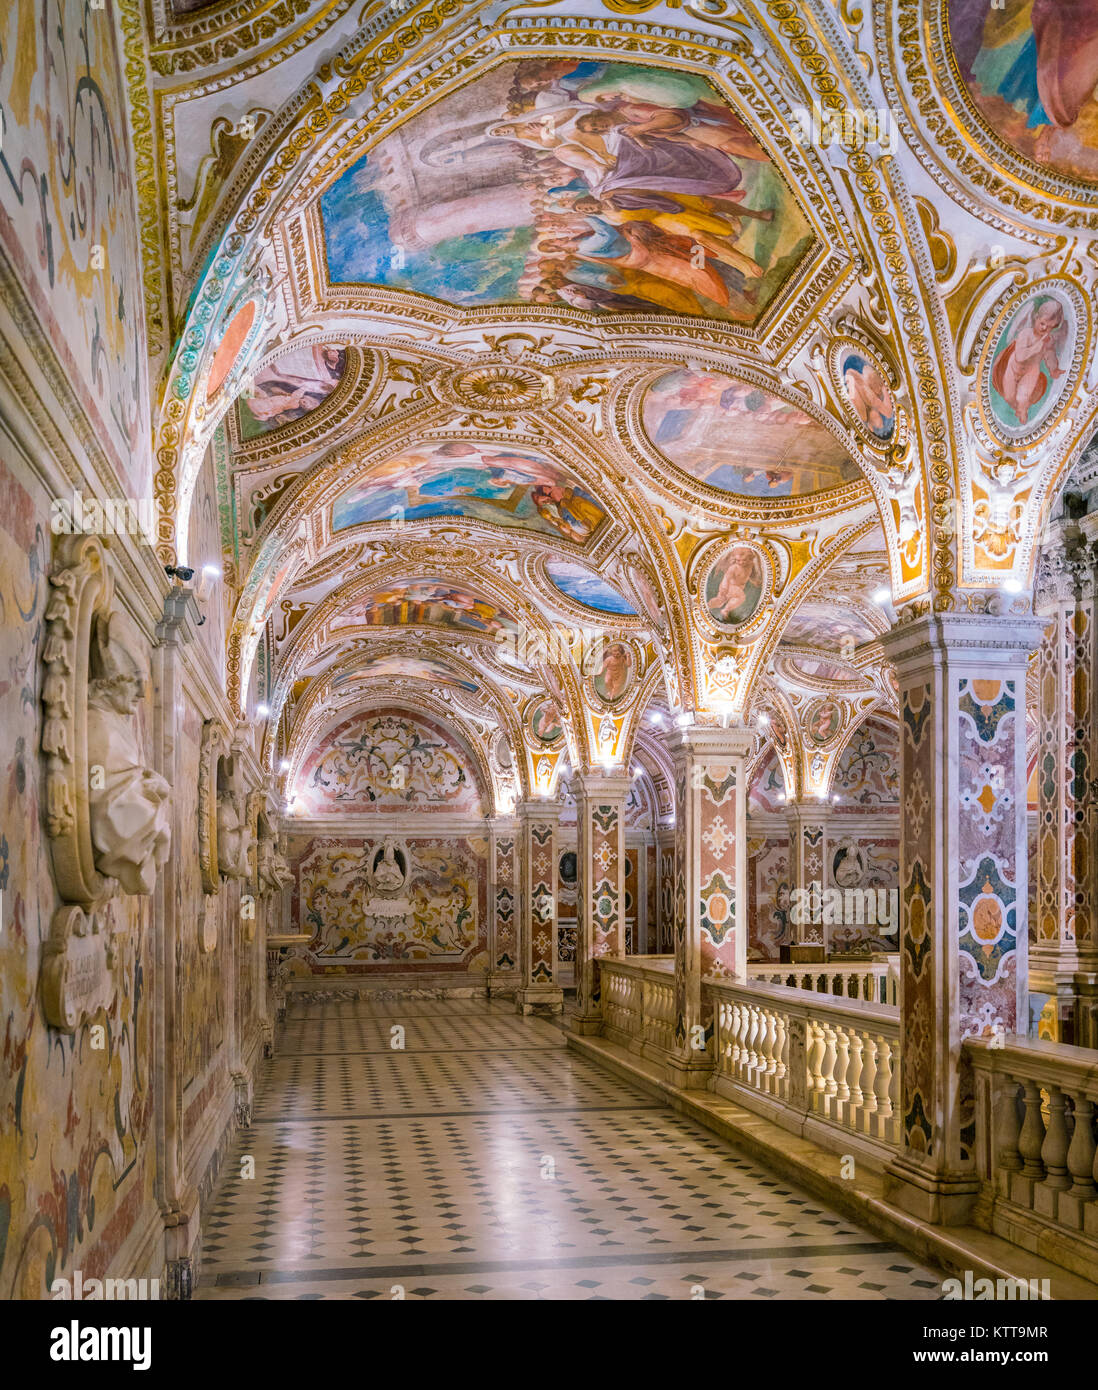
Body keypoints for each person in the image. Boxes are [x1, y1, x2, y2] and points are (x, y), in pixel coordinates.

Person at [991, 295, 1068, 426]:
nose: (1044, 328)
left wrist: (1053, 369)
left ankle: (1023, 410)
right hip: (1013, 367)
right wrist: (1038, 346)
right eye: (1042, 323)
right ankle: (1017, 408)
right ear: (1036, 317)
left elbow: (1049, 355)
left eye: (1049, 327)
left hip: (1031, 371)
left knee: (1023, 397)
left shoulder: (1048, 340)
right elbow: (1020, 356)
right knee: (1009, 396)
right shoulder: (1026, 334)